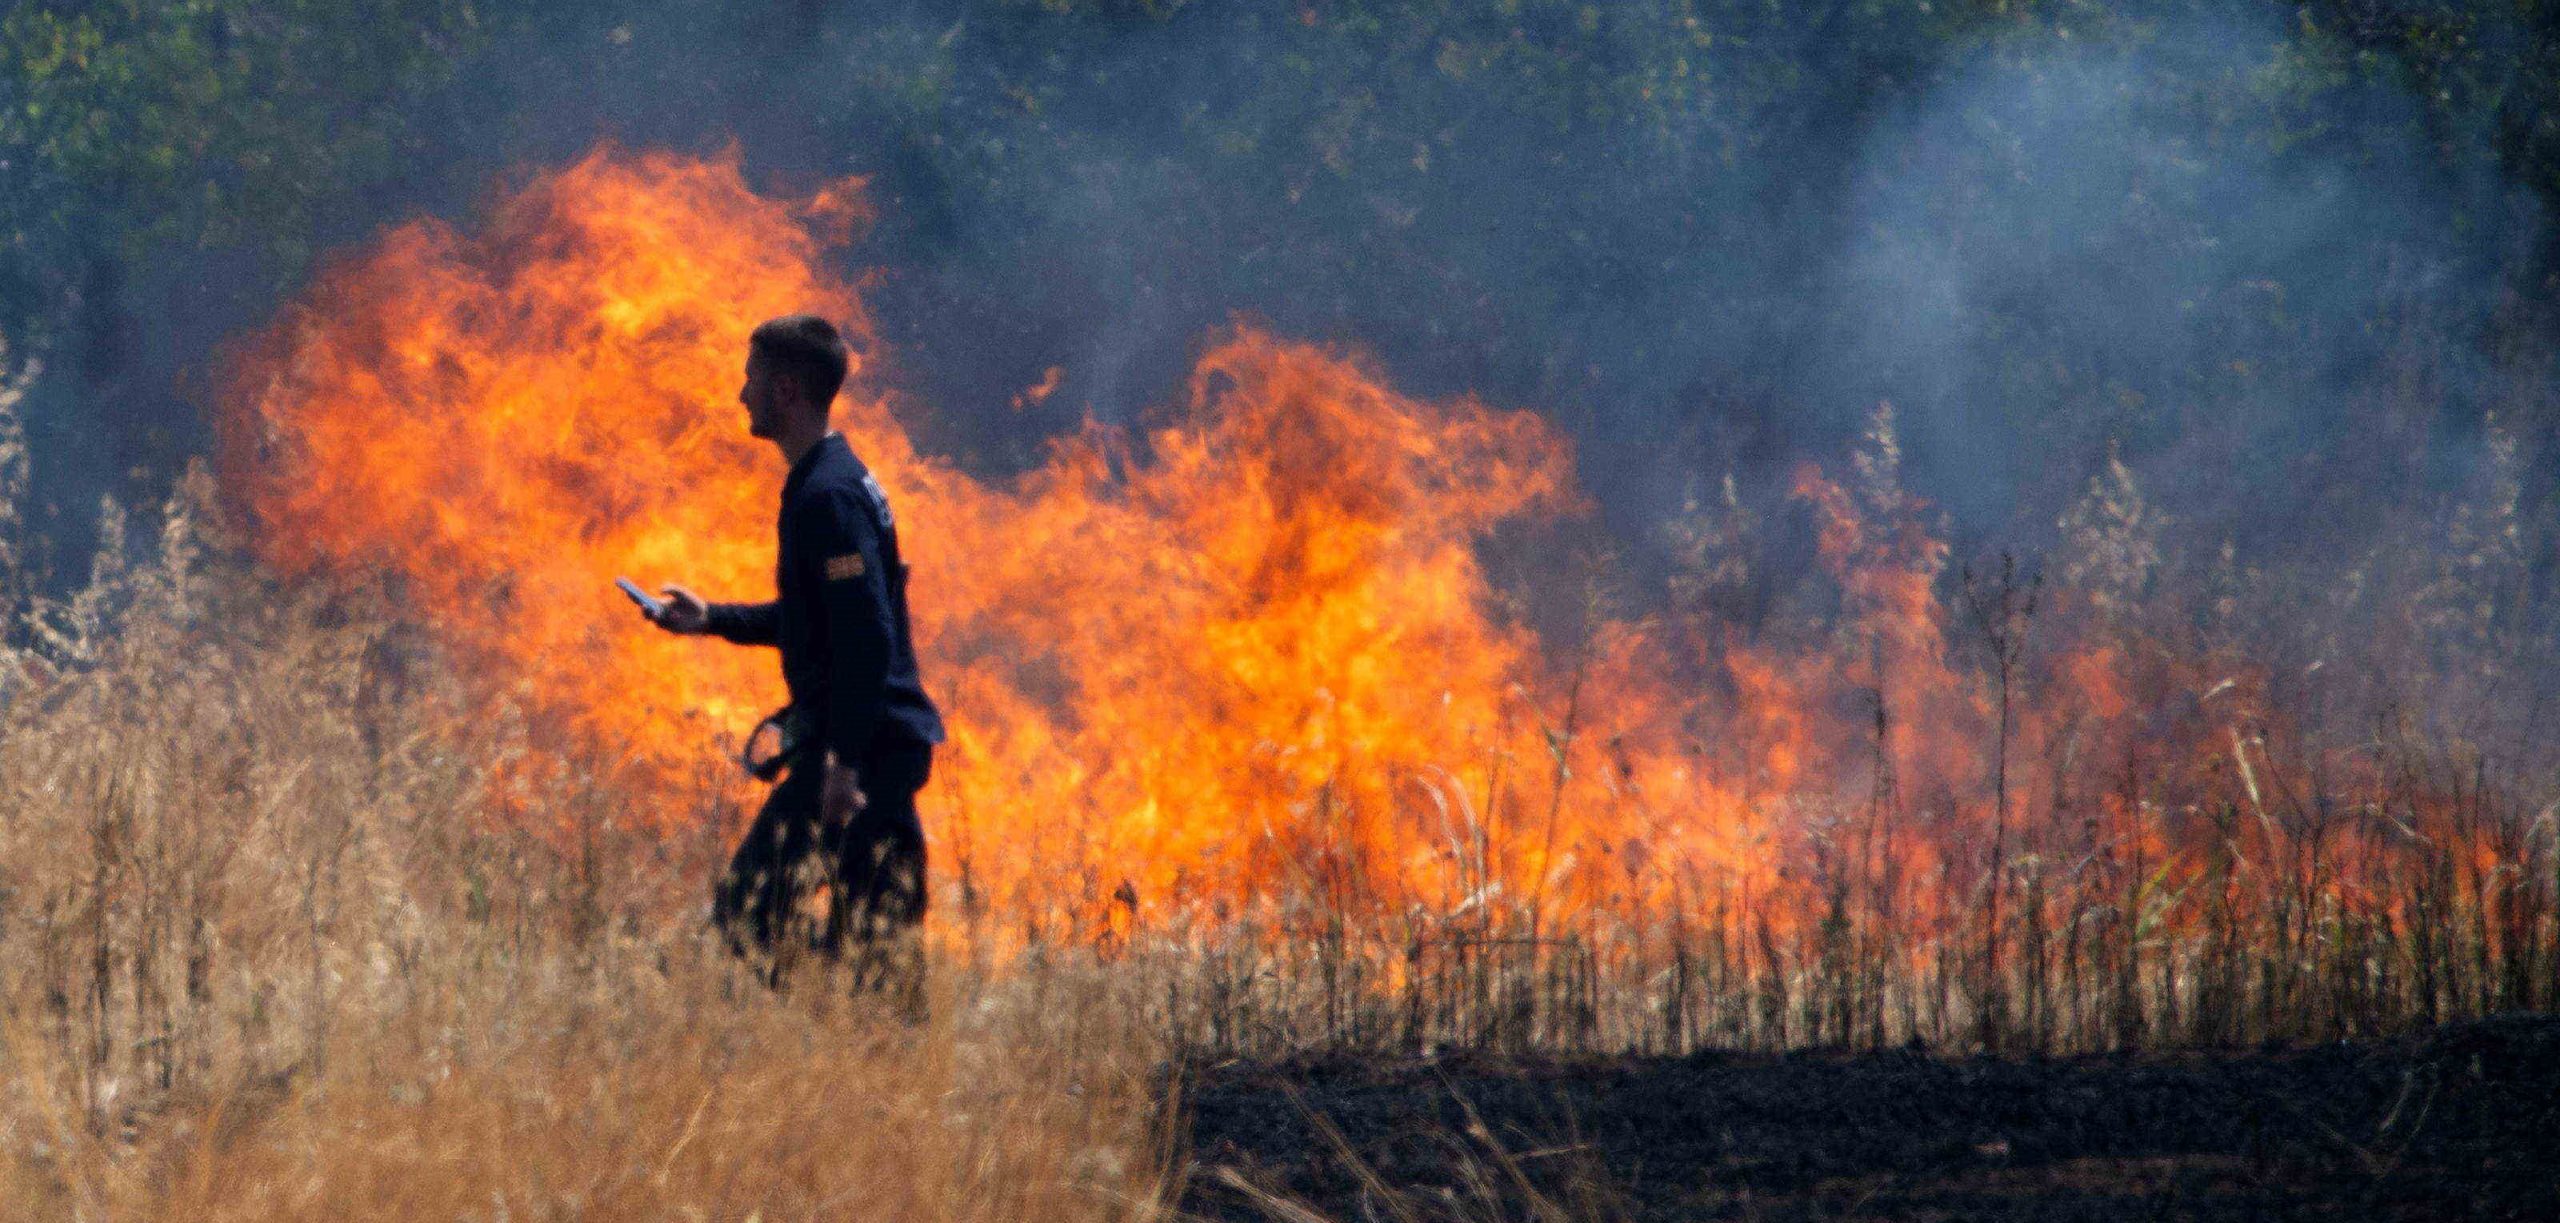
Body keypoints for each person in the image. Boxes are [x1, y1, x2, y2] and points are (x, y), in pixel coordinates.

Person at [646, 315, 946, 997]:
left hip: (862, 758)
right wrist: (713, 619)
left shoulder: (828, 495)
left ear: (785, 390)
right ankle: (849, 1034)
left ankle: (835, 1024)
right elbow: (824, 623)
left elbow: (867, 636)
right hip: (871, 747)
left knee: (752, 914)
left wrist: (841, 764)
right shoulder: (829, 480)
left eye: (750, 377)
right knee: (873, 950)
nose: (739, 393)